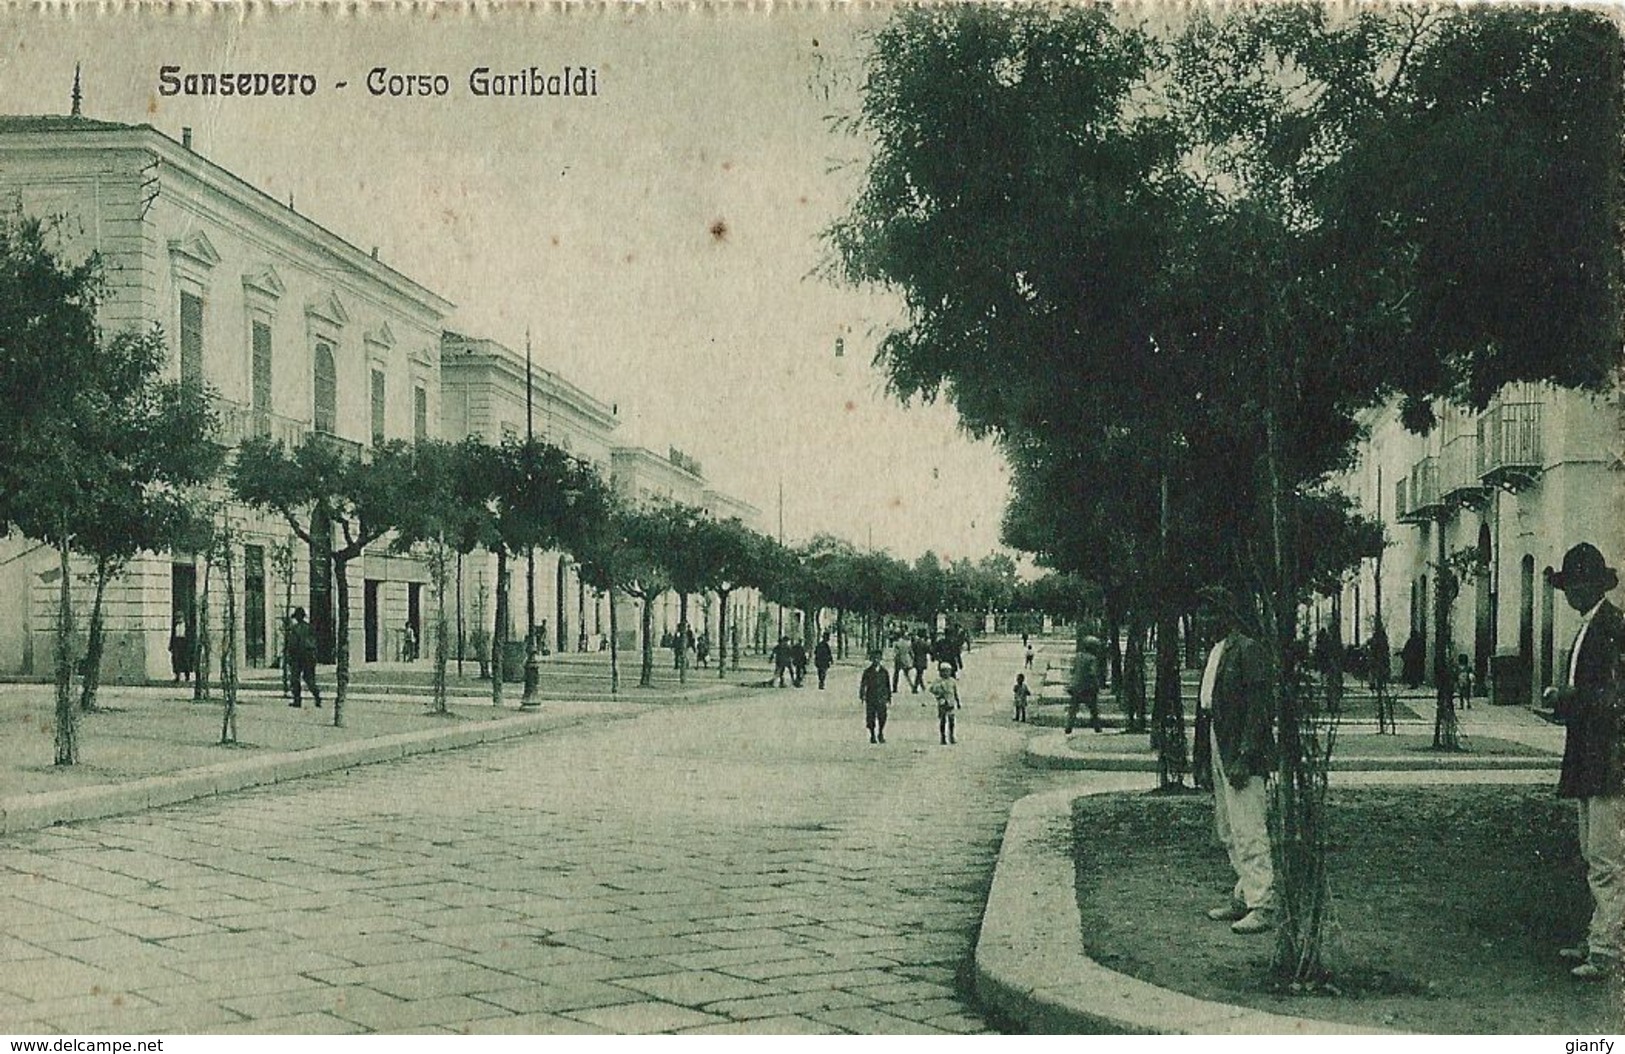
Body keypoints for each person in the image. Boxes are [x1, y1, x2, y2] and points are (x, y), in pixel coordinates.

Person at [1542, 543, 1625, 981]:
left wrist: (1569, 699)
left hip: (1608, 758)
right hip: (1588, 756)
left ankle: (1608, 950)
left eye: (1574, 586)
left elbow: (1612, 697)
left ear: (1593, 586)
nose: (1569, 594)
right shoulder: (1590, 627)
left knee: (1606, 858)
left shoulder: (1612, 629)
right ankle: (1599, 934)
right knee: (1591, 853)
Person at [1200, 606, 1275, 935]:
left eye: (1208, 613)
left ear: (1226, 615)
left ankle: (1263, 905)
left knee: (1249, 828)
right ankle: (1245, 894)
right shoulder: (1217, 651)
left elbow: (1259, 708)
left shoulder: (1247, 649)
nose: (1202, 620)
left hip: (1242, 752)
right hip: (1220, 743)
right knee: (1228, 828)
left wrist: (1245, 754)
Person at [285, 606, 322, 709]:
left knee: (295, 679)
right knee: (309, 679)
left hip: (297, 657)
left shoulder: (295, 629)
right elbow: (315, 642)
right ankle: (317, 696)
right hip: (310, 657)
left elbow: (292, 644)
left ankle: (297, 700)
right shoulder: (310, 627)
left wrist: (289, 656)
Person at [1066, 636, 1104, 734]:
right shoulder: (1092, 659)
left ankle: (1069, 726)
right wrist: (1097, 685)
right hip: (1087, 687)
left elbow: (1073, 670)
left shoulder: (1078, 656)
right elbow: (1093, 673)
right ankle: (1097, 727)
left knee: (1073, 708)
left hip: (1075, 686)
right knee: (1093, 708)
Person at [859, 649, 892, 744]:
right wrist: (862, 695)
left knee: (882, 717)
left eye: (878, 658)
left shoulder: (884, 672)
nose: (876, 660)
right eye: (874, 658)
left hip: (881, 698)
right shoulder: (867, 672)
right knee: (870, 717)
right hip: (871, 697)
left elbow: (887, 685)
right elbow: (863, 684)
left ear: (881, 659)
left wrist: (889, 697)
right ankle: (872, 734)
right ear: (871, 659)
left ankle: (880, 732)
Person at [930, 662, 960, 745]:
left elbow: (955, 692)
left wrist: (958, 701)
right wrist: (939, 695)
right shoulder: (938, 681)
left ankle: (951, 735)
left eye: (948, 671)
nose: (946, 673)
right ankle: (943, 737)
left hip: (951, 703)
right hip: (942, 704)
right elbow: (932, 689)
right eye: (944, 671)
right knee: (943, 720)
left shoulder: (952, 681)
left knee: (952, 720)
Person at [168, 616, 192, 684]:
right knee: (176, 660)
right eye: (177, 618)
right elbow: (173, 636)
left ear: (183, 618)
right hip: (176, 643)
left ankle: (187, 676)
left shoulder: (187, 626)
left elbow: (189, 636)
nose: (178, 619)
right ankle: (177, 676)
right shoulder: (175, 626)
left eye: (180, 618)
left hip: (184, 643)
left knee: (185, 660)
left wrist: (189, 645)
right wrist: (171, 645)